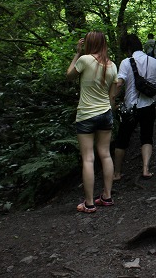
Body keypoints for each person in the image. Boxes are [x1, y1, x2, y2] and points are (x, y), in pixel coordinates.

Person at [66, 31, 118, 214]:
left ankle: (89, 203)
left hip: (86, 115)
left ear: (89, 43)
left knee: (88, 158)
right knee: (105, 155)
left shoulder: (85, 60)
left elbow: (69, 75)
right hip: (105, 114)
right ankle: (107, 196)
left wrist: (77, 53)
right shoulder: (112, 65)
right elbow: (112, 95)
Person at [114, 33, 156, 180]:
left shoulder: (126, 62)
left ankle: (117, 173)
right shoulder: (153, 61)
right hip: (149, 106)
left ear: (128, 48)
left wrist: (111, 100)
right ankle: (145, 169)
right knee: (146, 137)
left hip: (130, 107)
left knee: (122, 140)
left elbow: (119, 84)